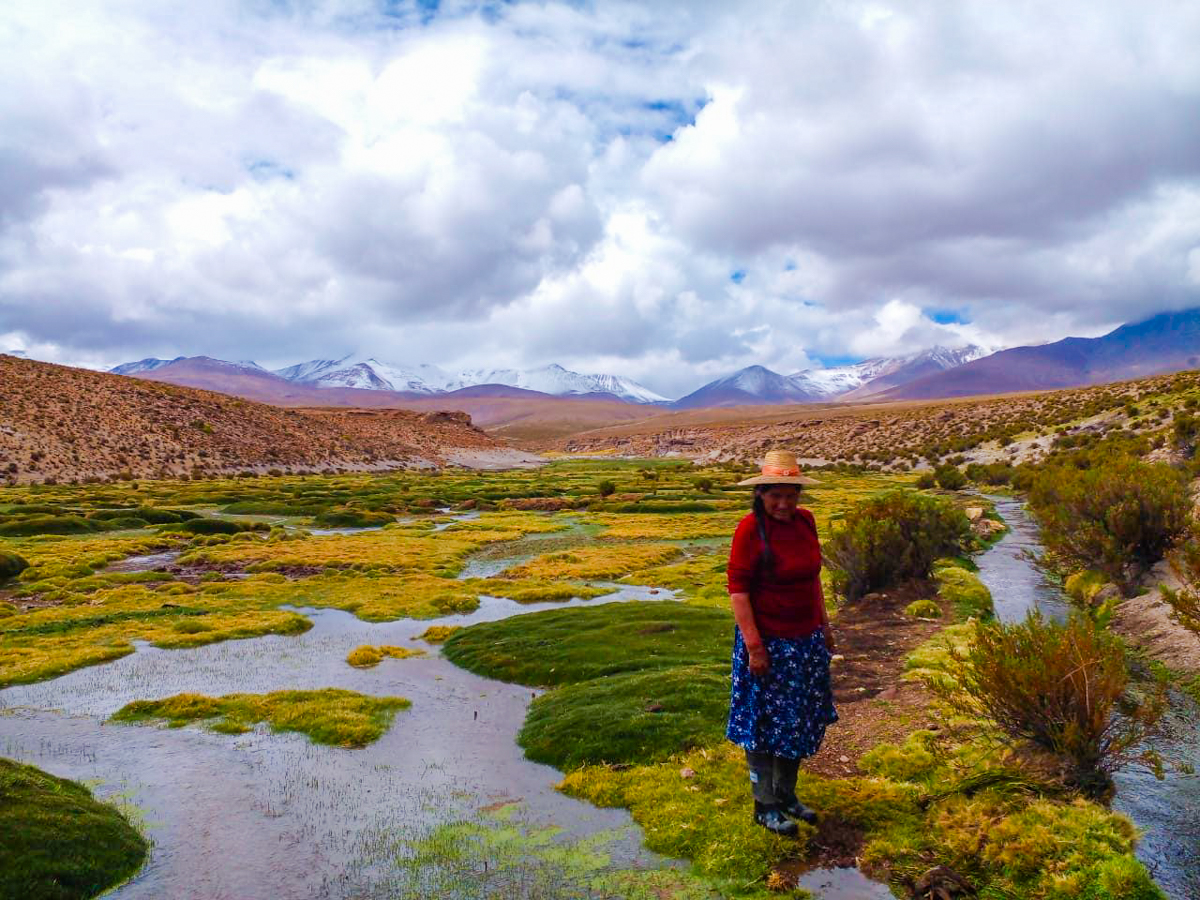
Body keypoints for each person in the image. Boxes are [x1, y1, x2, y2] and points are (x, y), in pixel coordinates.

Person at [725, 449, 837, 836]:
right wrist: (755, 647)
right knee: (763, 723)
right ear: (760, 494)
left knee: (799, 719)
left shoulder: (806, 522)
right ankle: (765, 805)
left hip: (805, 641)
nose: (784, 503)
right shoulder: (748, 529)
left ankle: (787, 795)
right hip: (769, 644)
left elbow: (812, 580)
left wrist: (824, 625)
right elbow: (738, 591)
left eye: (791, 494)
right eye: (775, 495)